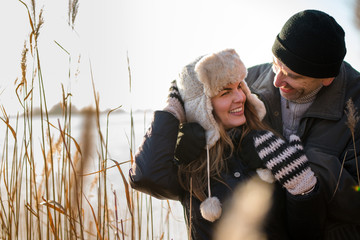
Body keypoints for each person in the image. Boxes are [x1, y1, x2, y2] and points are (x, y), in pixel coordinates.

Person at [129, 49, 318, 240]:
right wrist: (172, 110)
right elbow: (144, 177)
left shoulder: (268, 145)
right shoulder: (190, 161)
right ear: (201, 106)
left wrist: (303, 187)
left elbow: (305, 231)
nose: (240, 97)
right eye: (225, 92)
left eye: (239, 87)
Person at [242, 9, 360, 239]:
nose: (276, 80)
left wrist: (301, 167)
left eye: (292, 75)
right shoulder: (247, 83)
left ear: (327, 79)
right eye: (276, 63)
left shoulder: (358, 101)